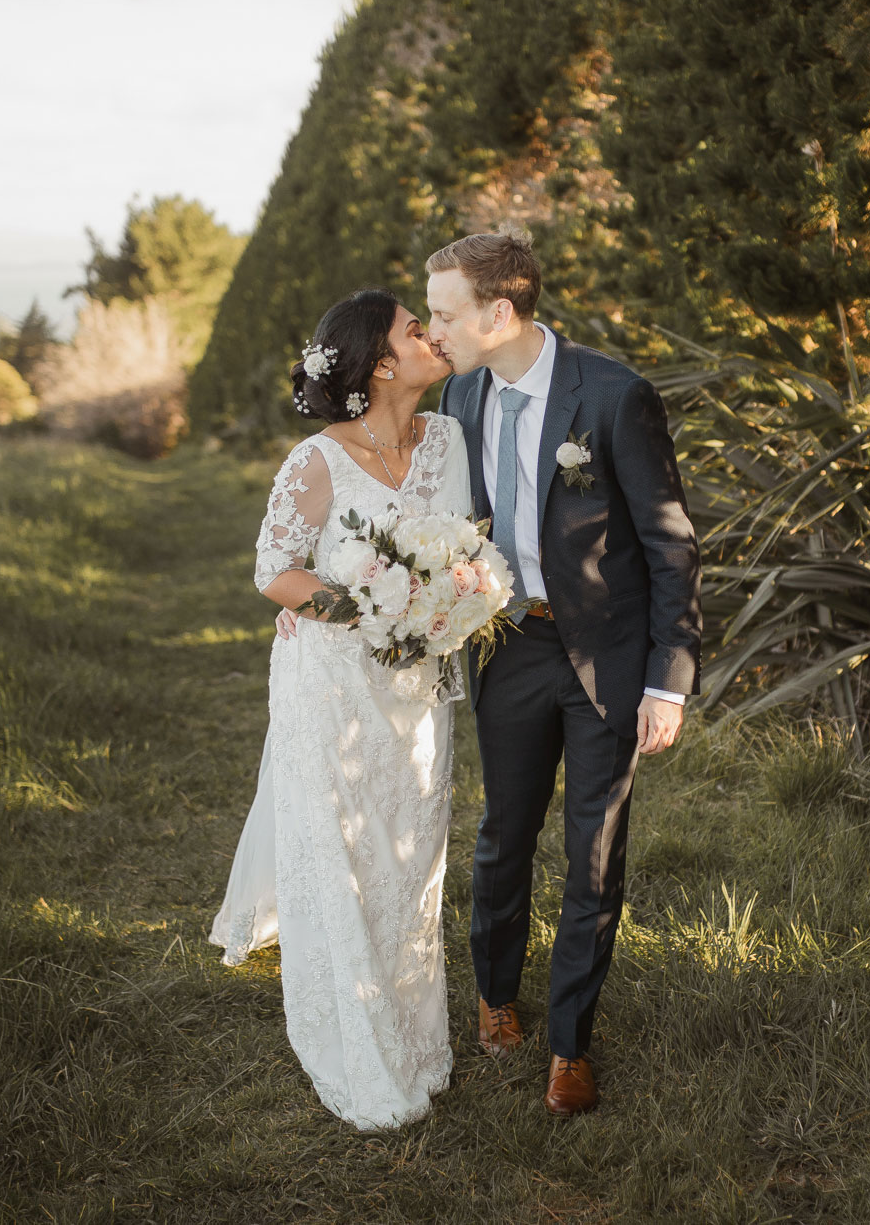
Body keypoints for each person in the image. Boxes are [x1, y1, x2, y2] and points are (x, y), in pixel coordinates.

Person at [428, 232, 702, 1116]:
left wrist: (669, 679)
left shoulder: (614, 396)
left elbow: (670, 543)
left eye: (443, 314)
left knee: (594, 849)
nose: (433, 331)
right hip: (507, 645)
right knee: (505, 834)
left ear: (497, 313)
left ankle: (570, 1043)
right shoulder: (459, 393)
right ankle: (495, 992)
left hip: (608, 661)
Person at [208, 287, 469, 1130]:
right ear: (384, 362)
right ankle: (357, 1041)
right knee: (348, 857)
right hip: (333, 684)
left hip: (419, 686)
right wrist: (362, 609)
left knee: (412, 857)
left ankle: (418, 1028)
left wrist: (448, 602)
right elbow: (273, 570)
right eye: (416, 329)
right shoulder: (316, 462)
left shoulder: (448, 440)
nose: (434, 336)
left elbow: (466, 550)